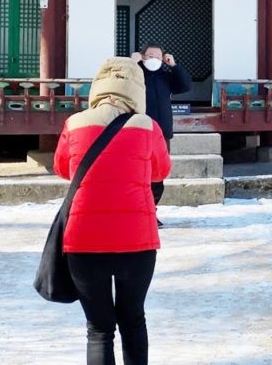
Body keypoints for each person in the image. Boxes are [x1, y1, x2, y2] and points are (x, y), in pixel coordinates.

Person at [54, 57, 171, 365]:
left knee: (99, 329)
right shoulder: (148, 126)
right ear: (137, 90)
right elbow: (161, 170)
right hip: (137, 241)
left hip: (83, 240)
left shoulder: (75, 123)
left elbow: (63, 168)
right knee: (133, 320)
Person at [130, 45, 191, 224]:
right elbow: (119, 82)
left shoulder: (166, 77)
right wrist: (131, 64)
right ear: (142, 56)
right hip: (137, 130)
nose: (154, 59)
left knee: (157, 174)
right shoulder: (135, 75)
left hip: (161, 132)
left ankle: (150, 211)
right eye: (150, 56)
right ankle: (136, 211)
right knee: (137, 173)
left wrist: (174, 66)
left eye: (159, 56)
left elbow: (186, 85)